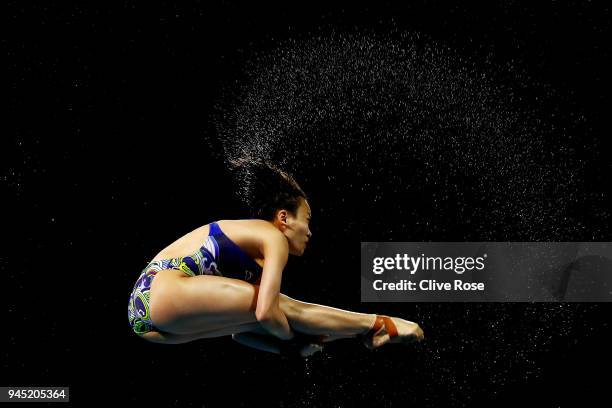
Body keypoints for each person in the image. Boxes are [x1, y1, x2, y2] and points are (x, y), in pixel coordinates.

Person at [127, 159, 424, 358]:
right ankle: (380, 322)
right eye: (307, 219)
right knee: (282, 308)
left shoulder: (252, 264)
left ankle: (366, 330)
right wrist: (291, 339)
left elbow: (242, 334)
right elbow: (269, 314)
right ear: (284, 218)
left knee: (272, 316)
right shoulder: (272, 237)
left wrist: (294, 345)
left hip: (156, 326)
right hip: (155, 292)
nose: (310, 231)